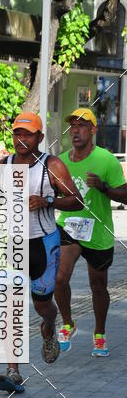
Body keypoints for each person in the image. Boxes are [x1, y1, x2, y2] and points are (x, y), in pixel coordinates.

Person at [0, 112, 84, 393]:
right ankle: (13, 372)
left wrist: (48, 200)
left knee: (41, 305)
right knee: (11, 306)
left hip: (44, 245)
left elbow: (77, 201)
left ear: (39, 137)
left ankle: (49, 325)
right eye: (17, 134)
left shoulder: (52, 166)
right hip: (11, 244)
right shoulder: (4, 165)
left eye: (27, 134)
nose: (21, 139)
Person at [54, 108, 127, 357]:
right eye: (73, 125)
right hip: (69, 226)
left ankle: (99, 333)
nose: (76, 130)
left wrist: (104, 187)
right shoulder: (60, 161)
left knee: (98, 286)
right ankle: (68, 324)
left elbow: (125, 195)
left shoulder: (106, 160)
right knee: (59, 278)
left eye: (82, 125)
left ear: (93, 130)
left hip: (98, 231)